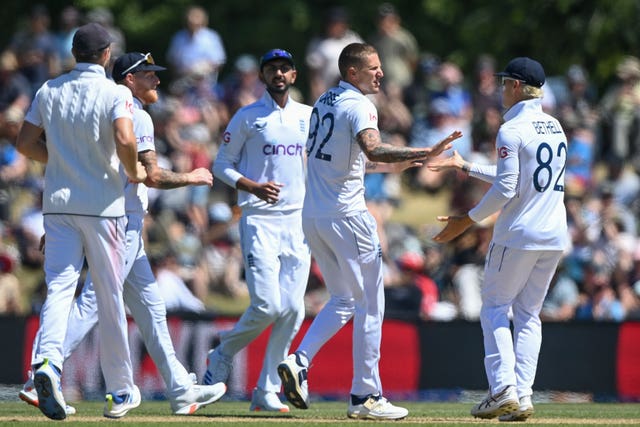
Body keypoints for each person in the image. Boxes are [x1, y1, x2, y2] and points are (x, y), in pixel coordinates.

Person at [18, 51, 226, 416]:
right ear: (129, 78)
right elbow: (151, 175)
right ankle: (41, 376)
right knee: (96, 303)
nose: (156, 80)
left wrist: (63, 226)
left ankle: (180, 389)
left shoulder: (102, 107)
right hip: (119, 223)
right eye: (148, 74)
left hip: (97, 215)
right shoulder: (133, 113)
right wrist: (193, 177)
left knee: (151, 310)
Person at [276, 43, 461, 421]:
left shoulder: (324, 101)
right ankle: (365, 395)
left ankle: (299, 361)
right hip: (348, 217)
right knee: (371, 305)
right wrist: (419, 152)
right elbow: (373, 149)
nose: (380, 74)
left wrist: (402, 164)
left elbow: (348, 160)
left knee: (344, 300)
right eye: (373, 68)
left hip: (314, 215)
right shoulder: (360, 105)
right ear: (353, 73)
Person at [15, 23, 148, 420]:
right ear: (107, 54)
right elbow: (125, 138)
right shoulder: (116, 92)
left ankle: (48, 363)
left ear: (74, 53)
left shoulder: (48, 89)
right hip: (103, 207)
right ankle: (122, 391)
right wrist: (135, 171)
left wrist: (60, 162)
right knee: (108, 296)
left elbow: (24, 143)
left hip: (56, 205)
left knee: (59, 287)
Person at [429, 57, 569, 421]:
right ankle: (522, 396)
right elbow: (519, 177)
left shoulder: (512, 129)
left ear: (518, 87)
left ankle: (502, 388)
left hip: (519, 234)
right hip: (553, 235)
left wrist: (467, 220)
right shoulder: (555, 127)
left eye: (506, 83)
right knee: (528, 315)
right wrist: (466, 166)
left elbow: (509, 185)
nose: (502, 89)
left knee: (494, 307)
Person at [204, 48, 311, 413]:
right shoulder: (248, 116)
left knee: (294, 309)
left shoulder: (308, 117)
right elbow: (221, 165)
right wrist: (251, 186)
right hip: (259, 219)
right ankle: (223, 351)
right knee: (268, 305)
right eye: (271, 69)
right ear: (263, 77)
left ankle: (266, 390)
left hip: (298, 222)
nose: (278, 74)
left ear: (294, 75)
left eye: (284, 68)